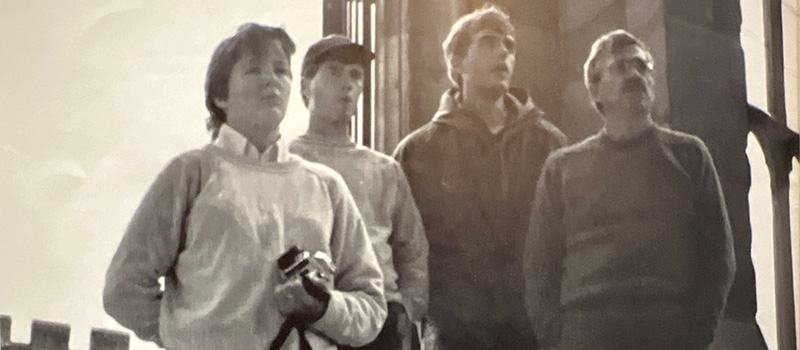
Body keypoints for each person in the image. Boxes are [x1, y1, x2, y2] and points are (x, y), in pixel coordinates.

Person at [102, 23, 387, 350]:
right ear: (220, 95)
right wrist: (193, 335)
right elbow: (123, 290)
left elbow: (371, 305)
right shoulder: (191, 174)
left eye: (281, 70)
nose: (272, 79)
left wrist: (323, 308)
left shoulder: (326, 186)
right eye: (254, 69)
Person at [524, 29, 736, 350]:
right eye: (621, 67)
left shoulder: (689, 155)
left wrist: (696, 335)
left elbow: (719, 256)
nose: (635, 75)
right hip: (587, 331)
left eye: (642, 67)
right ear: (596, 91)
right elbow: (539, 265)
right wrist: (558, 339)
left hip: (668, 330)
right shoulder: (562, 168)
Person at [392, 4, 567, 349]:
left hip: (535, 335)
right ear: (457, 62)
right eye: (489, 42)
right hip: (454, 337)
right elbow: (404, 255)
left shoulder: (550, 145)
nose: (504, 51)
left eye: (509, 45)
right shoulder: (417, 152)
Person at [289, 34, 429, 350]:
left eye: (355, 74)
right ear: (306, 84)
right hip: (315, 317)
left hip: (381, 319)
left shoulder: (385, 169)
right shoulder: (288, 163)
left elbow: (413, 250)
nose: (348, 83)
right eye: (335, 71)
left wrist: (407, 309)